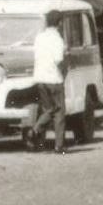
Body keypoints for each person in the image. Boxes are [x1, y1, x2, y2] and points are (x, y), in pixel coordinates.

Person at [27, 10, 68, 154]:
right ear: (59, 23)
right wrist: (64, 73)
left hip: (40, 78)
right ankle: (59, 145)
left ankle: (35, 129)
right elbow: (58, 61)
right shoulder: (58, 39)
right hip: (54, 79)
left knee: (48, 109)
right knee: (59, 112)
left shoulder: (39, 37)